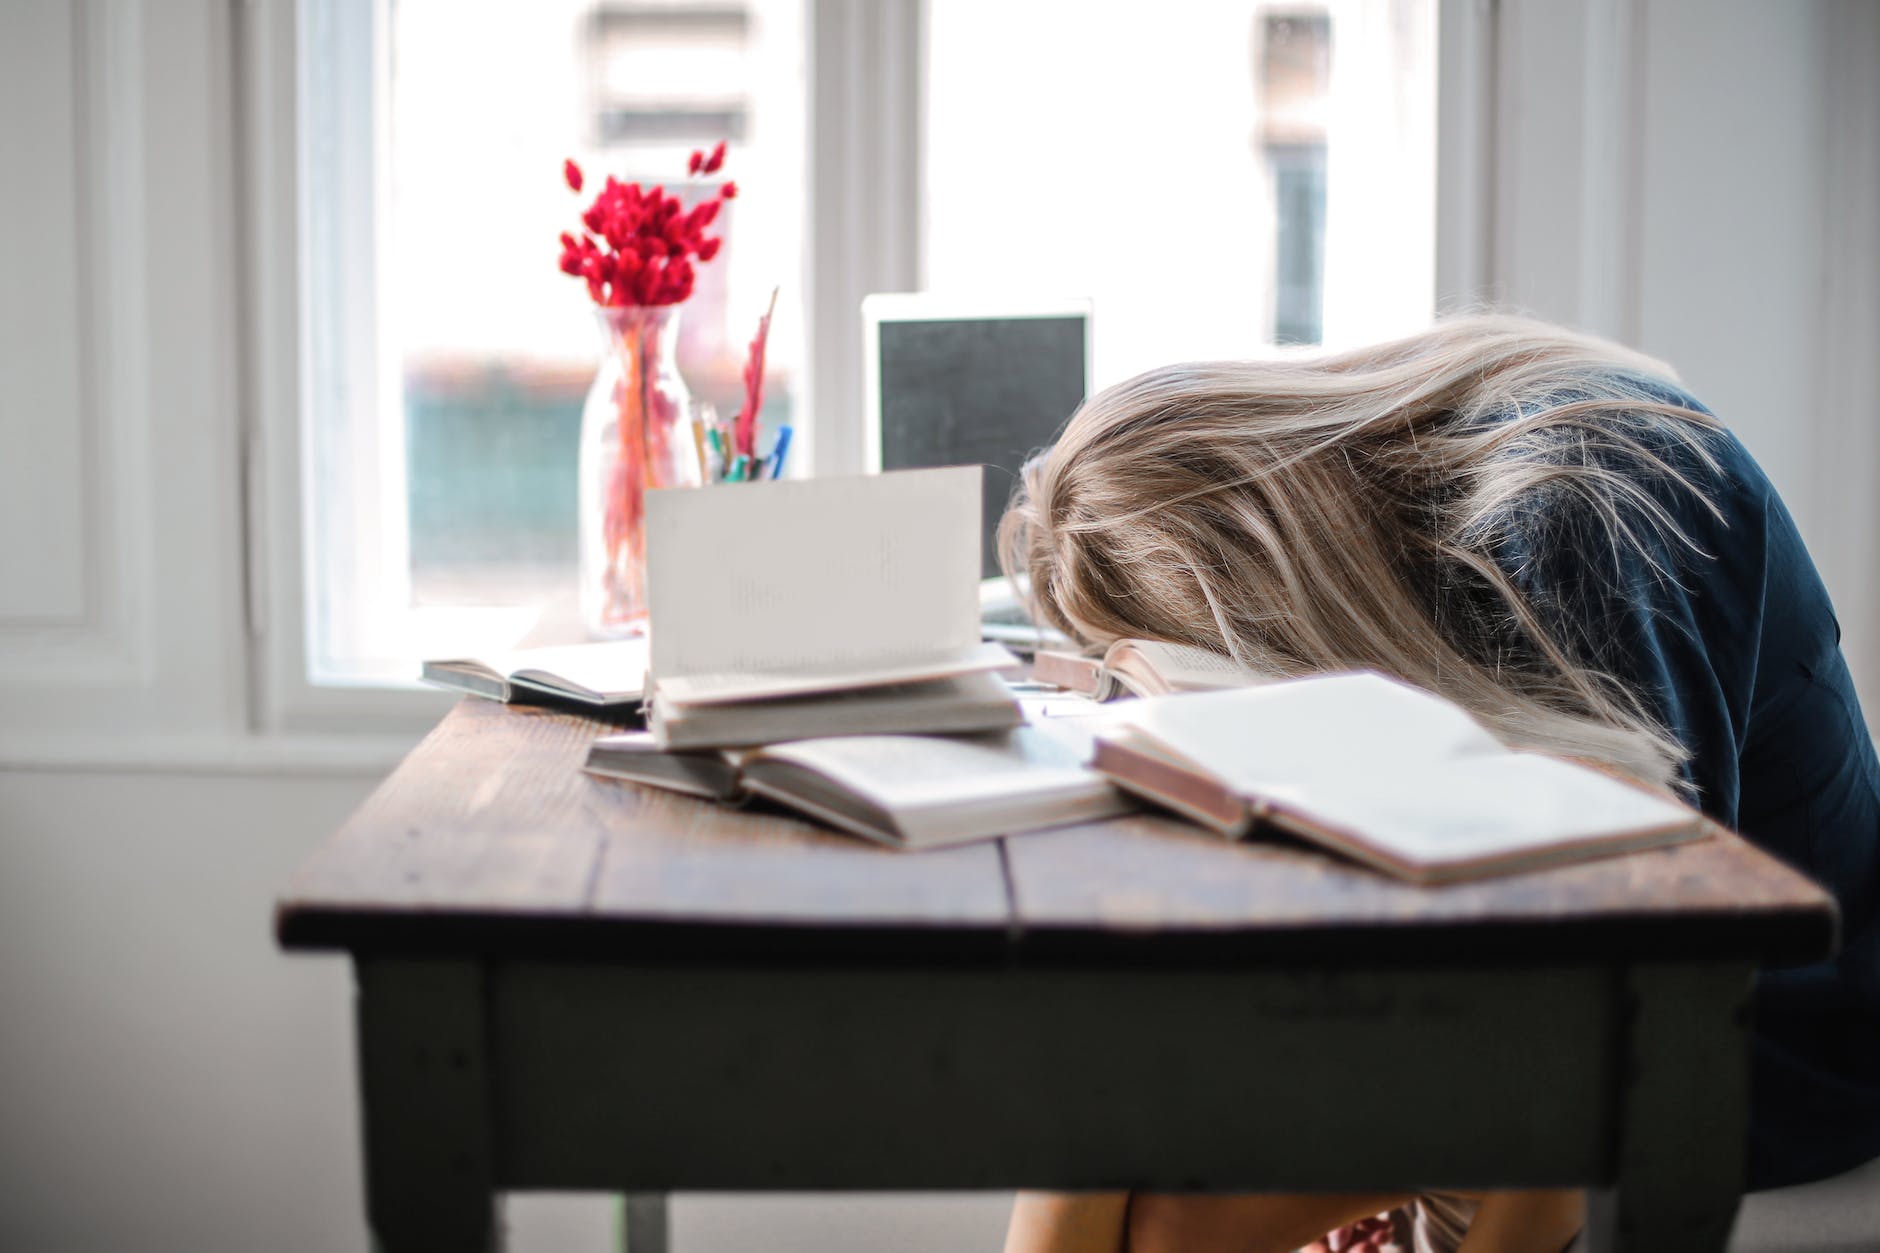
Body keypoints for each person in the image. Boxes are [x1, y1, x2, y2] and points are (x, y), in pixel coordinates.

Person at [994, 314, 1880, 1253]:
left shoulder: (1580, 510)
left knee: (1158, 1208)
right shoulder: (1448, 480)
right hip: (1566, 994)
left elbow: (1631, 1004)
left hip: (1780, 1043)